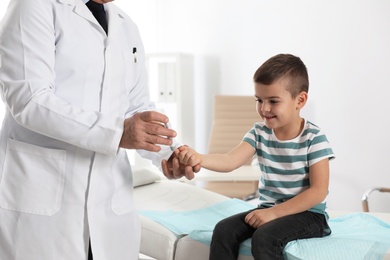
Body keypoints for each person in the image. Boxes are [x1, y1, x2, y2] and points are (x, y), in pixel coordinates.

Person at [0, 0, 197, 259]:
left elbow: (137, 107)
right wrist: (117, 133)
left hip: (111, 205)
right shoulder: (34, 6)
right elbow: (29, 99)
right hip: (43, 201)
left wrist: (166, 155)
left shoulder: (126, 27)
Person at [175, 54, 335, 260]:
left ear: (300, 100)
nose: (264, 108)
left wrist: (274, 213)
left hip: (309, 215)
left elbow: (318, 192)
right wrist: (199, 157)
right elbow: (230, 160)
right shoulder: (259, 132)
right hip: (268, 210)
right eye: (259, 100)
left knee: (265, 237)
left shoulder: (314, 137)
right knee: (224, 230)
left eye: (273, 101)